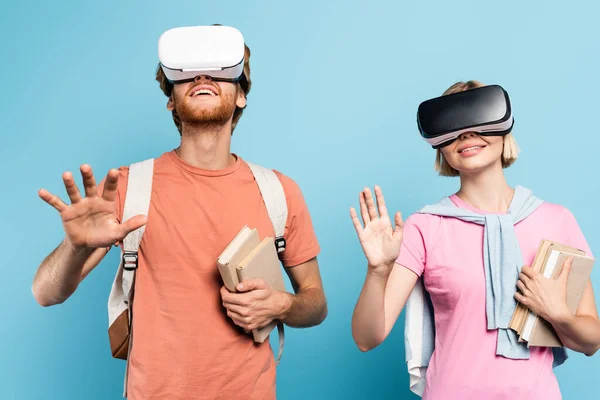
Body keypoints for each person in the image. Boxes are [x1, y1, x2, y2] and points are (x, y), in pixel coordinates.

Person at [32, 26, 327, 400]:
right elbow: (45, 293)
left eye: (219, 70)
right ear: (171, 99)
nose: (202, 77)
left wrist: (282, 304)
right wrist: (73, 247)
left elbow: (316, 302)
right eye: (187, 72)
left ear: (241, 96)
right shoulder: (127, 188)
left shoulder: (280, 193)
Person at [350, 80, 600, 399]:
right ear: (440, 145)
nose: (467, 134)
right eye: (454, 126)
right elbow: (366, 338)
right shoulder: (425, 226)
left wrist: (557, 313)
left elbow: (591, 341)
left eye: (479, 120)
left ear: (503, 129)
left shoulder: (555, 220)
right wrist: (378, 270)